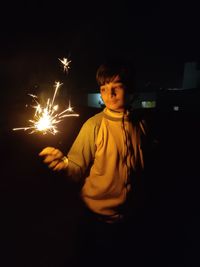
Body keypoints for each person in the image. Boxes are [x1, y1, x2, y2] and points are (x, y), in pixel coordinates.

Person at [39, 58, 149, 266]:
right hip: (96, 218)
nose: (110, 94)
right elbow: (76, 167)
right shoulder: (94, 126)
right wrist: (64, 166)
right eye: (104, 88)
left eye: (117, 87)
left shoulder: (141, 124)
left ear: (131, 88)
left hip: (133, 216)